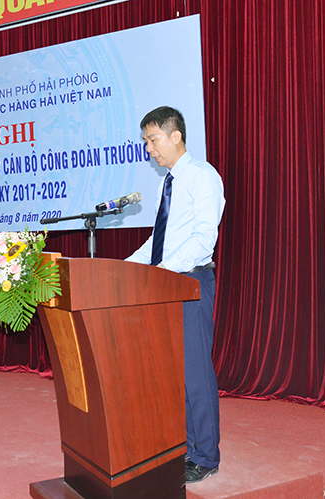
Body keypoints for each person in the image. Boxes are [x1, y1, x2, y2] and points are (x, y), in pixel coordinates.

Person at [125, 106, 225, 484]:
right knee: (174, 375)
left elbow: (203, 238)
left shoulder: (202, 176)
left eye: (153, 140)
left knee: (195, 374)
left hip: (190, 283)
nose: (149, 149)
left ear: (175, 135)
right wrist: (126, 267)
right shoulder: (166, 183)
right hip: (167, 284)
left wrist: (163, 270)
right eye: (146, 141)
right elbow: (159, 240)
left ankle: (205, 456)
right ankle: (185, 447)